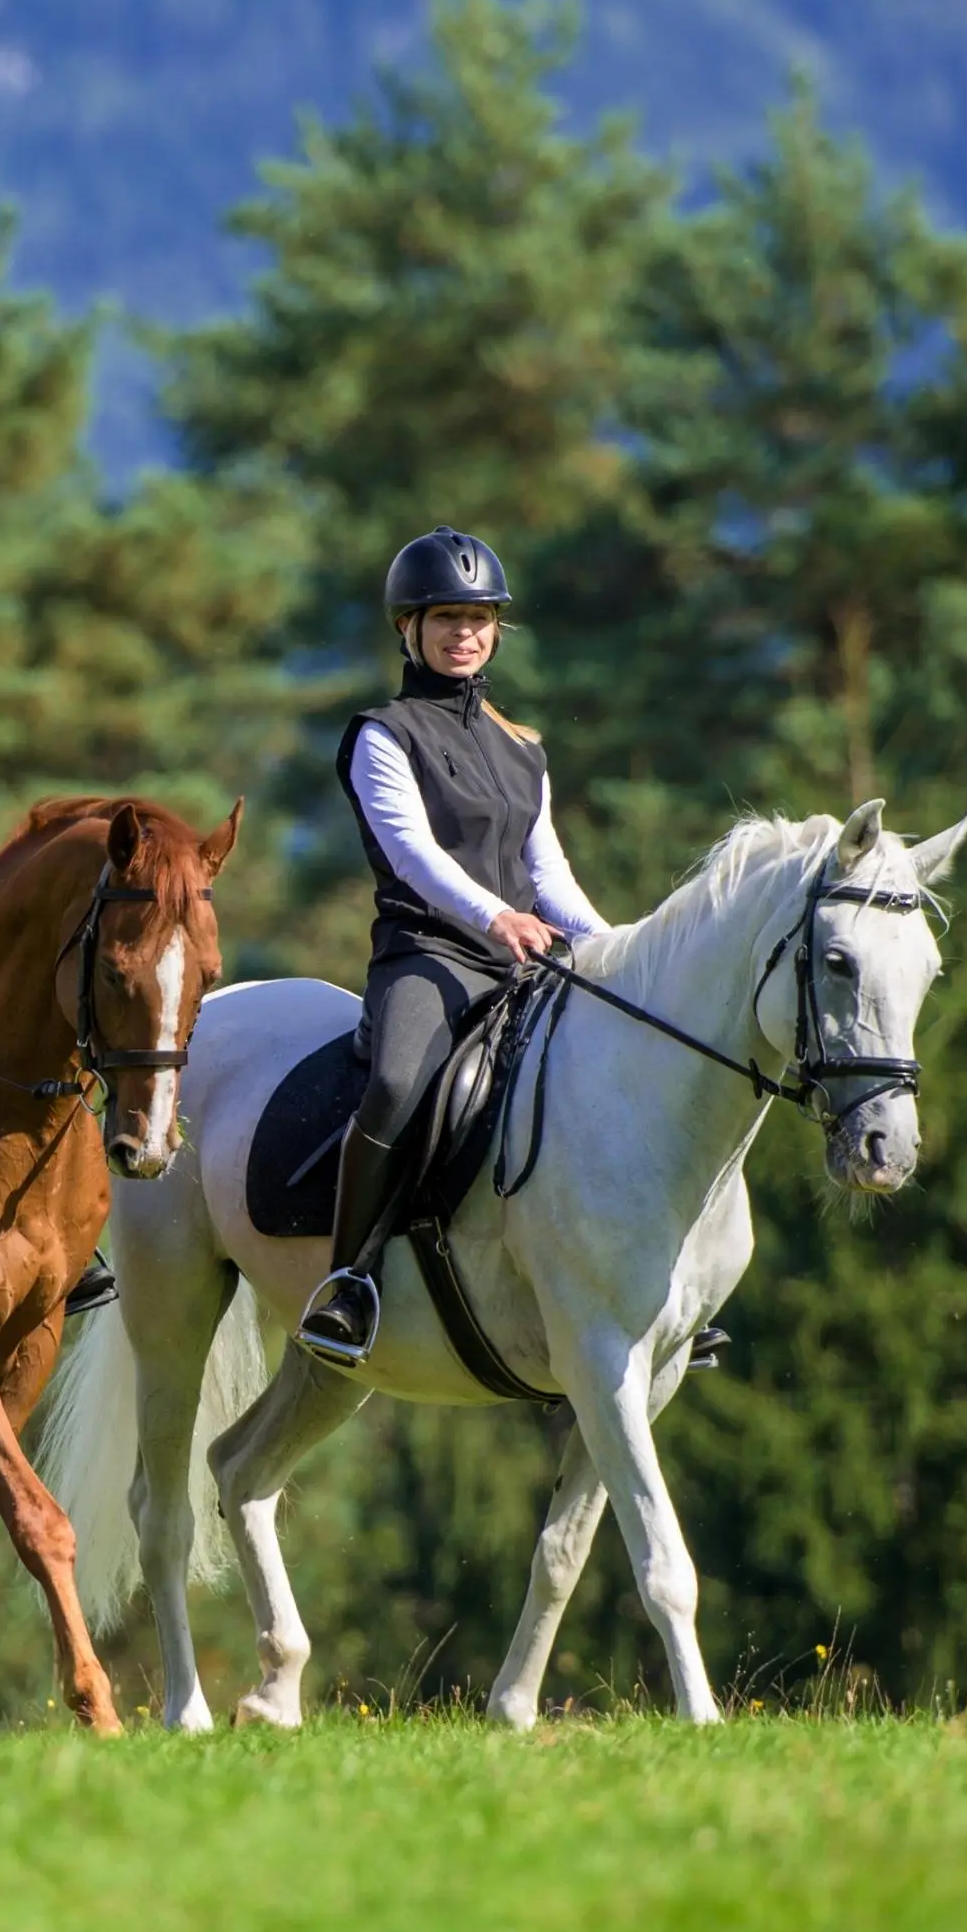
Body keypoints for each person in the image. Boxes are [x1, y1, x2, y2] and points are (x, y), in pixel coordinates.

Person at [294, 528, 615, 1371]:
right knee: (398, 1080)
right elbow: (414, 857)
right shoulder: (382, 735)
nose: (464, 634)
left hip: (524, 960)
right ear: (410, 628)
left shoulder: (523, 747)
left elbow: (549, 872)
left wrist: (617, 949)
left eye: (478, 619)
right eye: (446, 618)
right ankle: (347, 1280)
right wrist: (492, 918)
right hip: (428, 955)